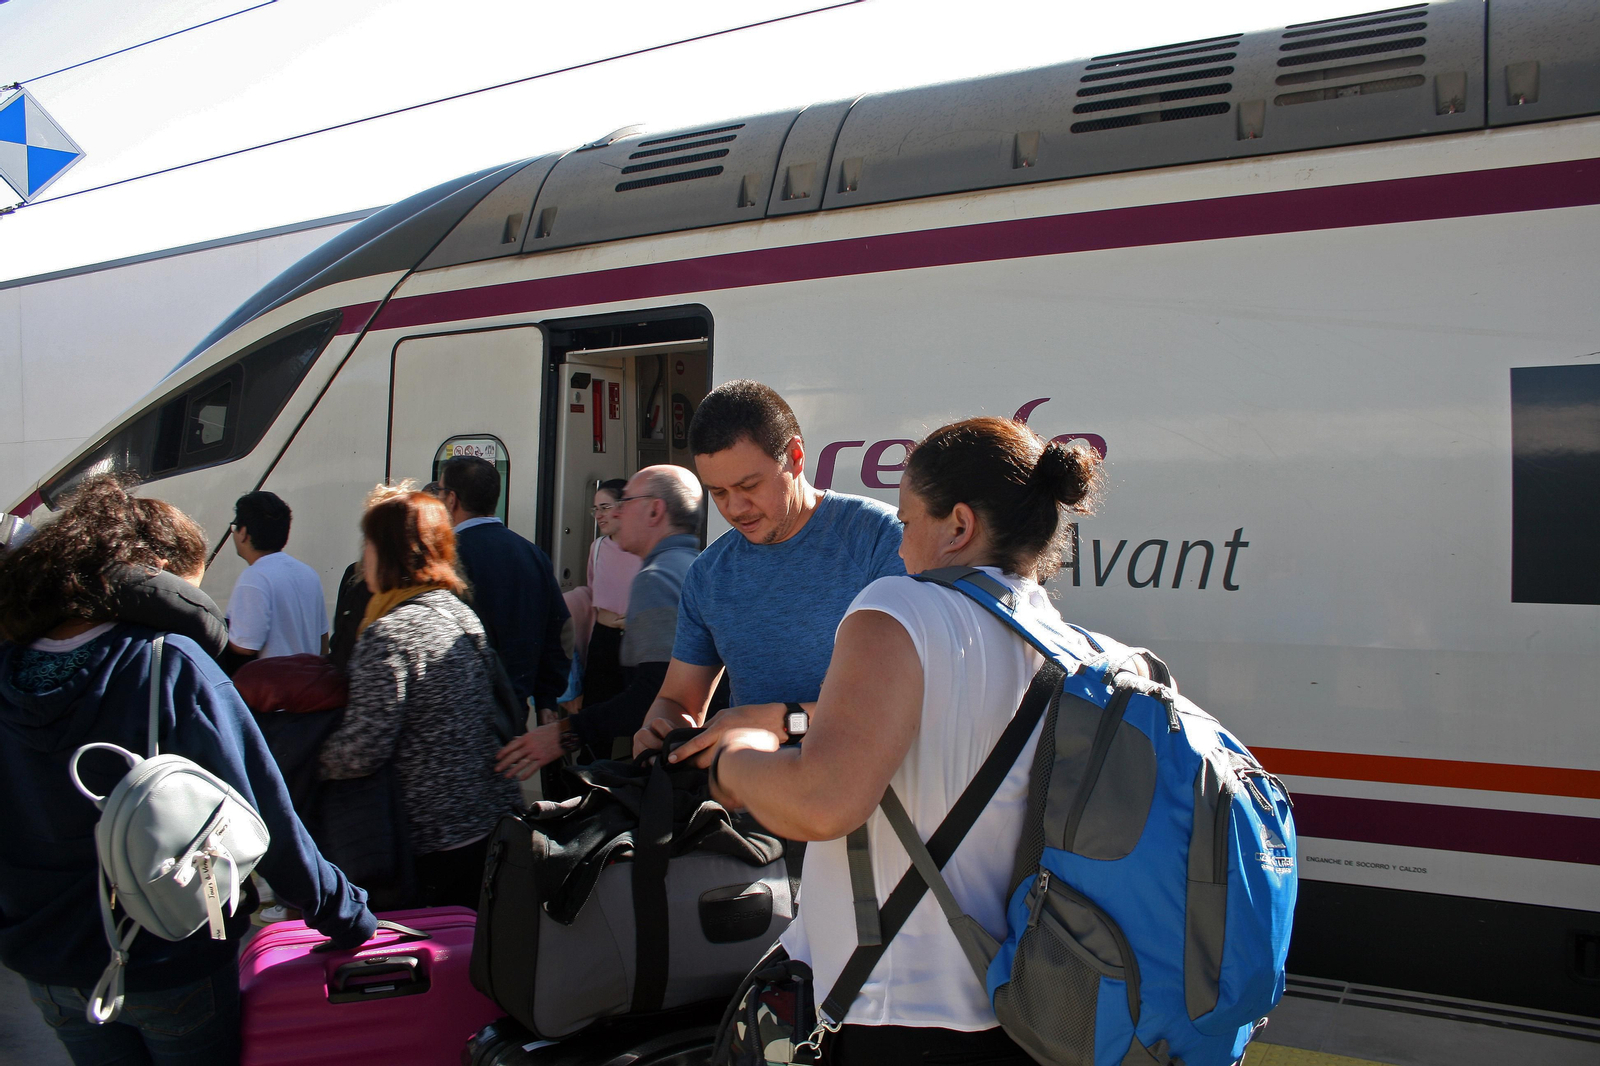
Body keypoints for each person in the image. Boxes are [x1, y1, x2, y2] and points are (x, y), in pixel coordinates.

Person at [702, 416, 1105, 1065]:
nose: (900, 545)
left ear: (959, 526)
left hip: (891, 1012)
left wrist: (731, 764)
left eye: (908, 521)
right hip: (1015, 1010)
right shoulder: (1064, 644)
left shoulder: (899, 607)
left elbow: (824, 800)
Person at [0, 475, 376, 1066]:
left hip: (47, 962)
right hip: (166, 958)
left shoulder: (9, 663)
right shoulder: (168, 663)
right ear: (151, 576)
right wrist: (345, 913)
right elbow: (262, 812)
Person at [633, 379, 904, 765]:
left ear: (795, 456)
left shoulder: (879, 538)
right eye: (719, 493)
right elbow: (678, 699)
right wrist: (662, 727)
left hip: (866, 808)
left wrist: (779, 721)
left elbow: (909, 700)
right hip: (749, 808)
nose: (736, 508)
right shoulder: (709, 574)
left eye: (749, 485)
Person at [319, 484, 522, 909]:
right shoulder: (453, 611)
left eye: (369, 543)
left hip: (427, 836)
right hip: (483, 817)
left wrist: (307, 756)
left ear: (389, 551)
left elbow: (362, 750)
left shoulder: (389, 633)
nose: (362, 556)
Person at [497, 465, 702, 779]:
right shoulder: (699, 566)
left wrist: (562, 735)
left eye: (626, 502)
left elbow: (657, 695)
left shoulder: (656, 579)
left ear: (654, 511)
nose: (618, 513)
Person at [438, 455, 570, 712]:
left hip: (459, 713)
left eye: (439, 491)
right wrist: (546, 699)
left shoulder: (447, 558)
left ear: (451, 499)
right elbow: (561, 630)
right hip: (513, 710)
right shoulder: (532, 554)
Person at [224, 490, 329, 673]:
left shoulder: (254, 577)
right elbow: (323, 641)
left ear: (244, 533)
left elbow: (244, 646)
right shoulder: (308, 573)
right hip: (307, 689)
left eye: (235, 527)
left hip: (273, 693)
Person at [563, 478, 643, 709]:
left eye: (605, 508)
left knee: (637, 712)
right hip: (603, 639)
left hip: (638, 641)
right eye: (595, 509)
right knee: (596, 707)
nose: (599, 515)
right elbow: (592, 591)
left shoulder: (647, 549)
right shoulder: (597, 547)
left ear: (625, 507)